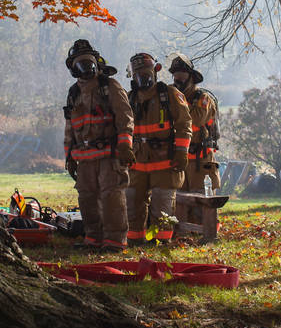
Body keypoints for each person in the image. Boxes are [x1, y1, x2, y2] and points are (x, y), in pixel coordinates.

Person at [62, 39, 134, 251]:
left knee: (112, 197)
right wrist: (69, 156)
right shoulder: (74, 93)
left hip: (109, 155)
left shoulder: (109, 87)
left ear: (96, 63)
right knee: (87, 199)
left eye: (88, 62)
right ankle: (93, 239)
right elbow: (70, 127)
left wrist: (125, 146)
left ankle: (114, 241)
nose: (85, 68)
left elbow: (125, 117)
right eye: (80, 64)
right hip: (84, 158)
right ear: (73, 68)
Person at [125, 52, 192, 244]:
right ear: (132, 76)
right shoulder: (129, 99)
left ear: (155, 72)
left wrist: (181, 151)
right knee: (132, 205)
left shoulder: (169, 95)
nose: (143, 78)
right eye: (138, 74)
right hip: (136, 164)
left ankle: (160, 242)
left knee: (162, 207)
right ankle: (135, 241)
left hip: (165, 162)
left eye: (146, 73)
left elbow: (184, 124)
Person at [167, 53, 221, 193]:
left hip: (201, 162)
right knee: (180, 205)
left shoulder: (204, 99)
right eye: (175, 74)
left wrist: (178, 101)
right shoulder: (170, 98)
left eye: (182, 74)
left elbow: (194, 121)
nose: (178, 78)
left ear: (191, 77)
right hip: (178, 160)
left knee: (202, 206)